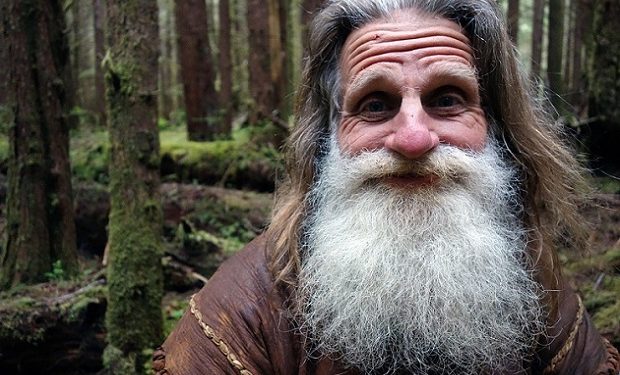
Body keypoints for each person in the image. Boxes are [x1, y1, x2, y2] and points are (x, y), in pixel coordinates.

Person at [153, 0, 620, 373]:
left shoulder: (534, 277)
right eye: (375, 104)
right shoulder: (239, 314)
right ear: (327, 138)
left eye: (447, 99)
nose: (414, 138)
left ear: (495, 129)